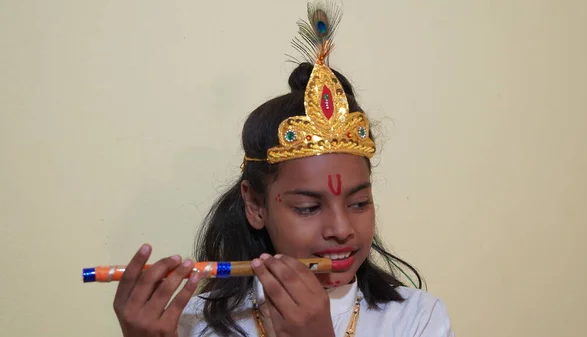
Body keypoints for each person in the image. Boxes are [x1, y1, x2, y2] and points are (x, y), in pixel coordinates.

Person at [111, 1, 454, 336]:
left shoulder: (418, 319)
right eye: (308, 208)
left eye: (359, 203)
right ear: (256, 205)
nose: (341, 229)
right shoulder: (192, 322)